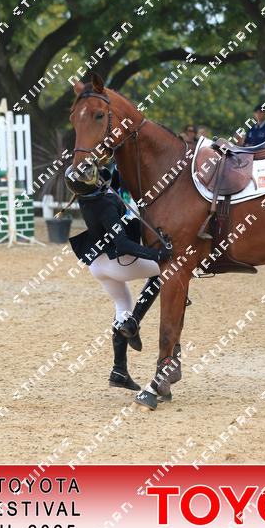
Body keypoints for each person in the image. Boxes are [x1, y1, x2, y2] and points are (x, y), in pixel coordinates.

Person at [67, 163, 173, 391]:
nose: (96, 175)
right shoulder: (105, 204)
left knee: (122, 305)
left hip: (98, 264)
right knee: (165, 271)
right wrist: (158, 255)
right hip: (117, 263)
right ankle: (134, 322)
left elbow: (109, 180)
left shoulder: (85, 198)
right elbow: (123, 244)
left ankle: (119, 371)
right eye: (91, 175)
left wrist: (115, 164)